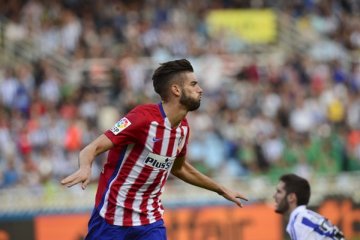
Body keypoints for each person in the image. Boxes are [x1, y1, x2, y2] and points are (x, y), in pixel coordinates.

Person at [61, 59, 248, 240]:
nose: (200, 89)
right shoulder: (141, 118)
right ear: (176, 89)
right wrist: (85, 167)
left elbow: (179, 167)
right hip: (111, 219)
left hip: (150, 223)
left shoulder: (183, 129)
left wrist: (220, 189)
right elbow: (92, 148)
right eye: (193, 84)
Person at [273, 173, 345, 240]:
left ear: (291, 197)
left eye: (279, 192)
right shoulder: (306, 217)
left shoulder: (300, 223)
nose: (274, 195)